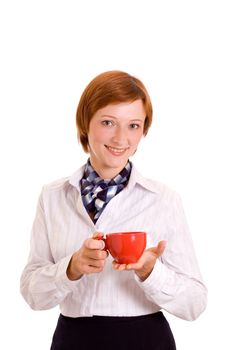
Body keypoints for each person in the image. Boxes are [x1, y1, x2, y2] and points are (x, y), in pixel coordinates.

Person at [20, 70, 207, 350]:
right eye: (108, 122)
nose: (121, 138)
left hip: (145, 340)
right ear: (85, 123)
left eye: (133, 125)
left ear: (144, 129)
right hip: (73, 340)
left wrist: (149, 270)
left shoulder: (163, 199)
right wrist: (70, 268)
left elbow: (194, 304)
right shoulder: (53, 196)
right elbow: (33, 294)